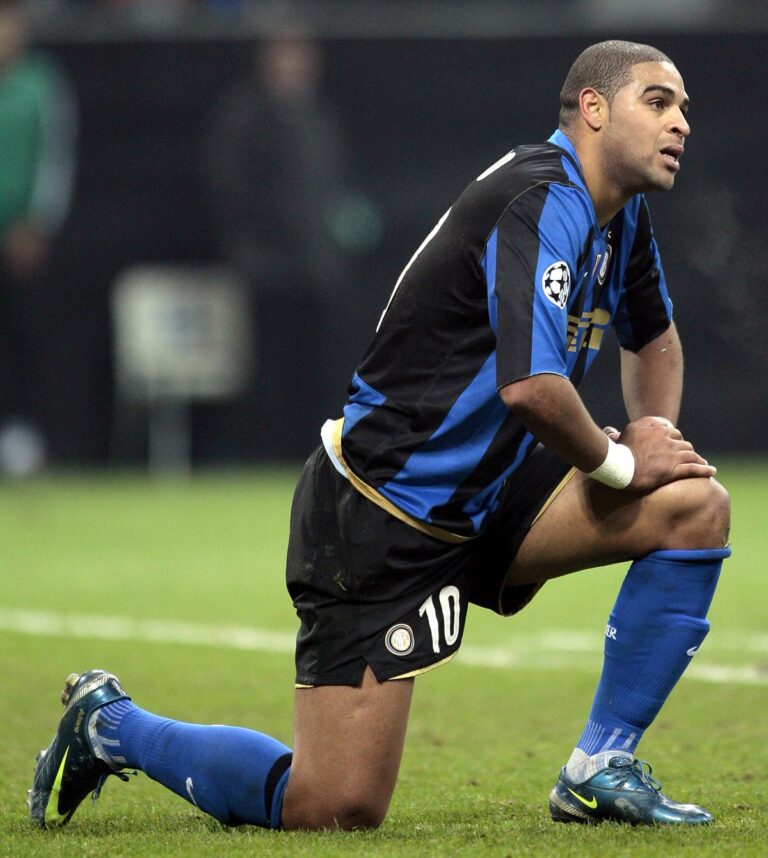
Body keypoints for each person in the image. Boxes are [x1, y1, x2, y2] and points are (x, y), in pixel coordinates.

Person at [30, 40, 731, 831]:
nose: (681, 123)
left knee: (693, 505)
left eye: (684, 109)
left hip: (492, 492)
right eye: (658, 102)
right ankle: (111, 725)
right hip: (382, 510)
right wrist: (624, 464)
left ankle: (598, 766)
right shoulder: (539, 198)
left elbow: (654, 336)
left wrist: (656, 435)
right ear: (593, 110)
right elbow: (532, 387)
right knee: (334, 806)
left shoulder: (619, 214)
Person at [201, 32, 377, 460]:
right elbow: (228, 189)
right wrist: (261, 243)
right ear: (266, 61)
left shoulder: (320, 117)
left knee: (319, 366)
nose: (294, 65)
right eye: (285, 55)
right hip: (267, 271)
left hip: (318, 271)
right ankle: (263, 452)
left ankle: (319, 451)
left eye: (300, 56)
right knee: (269, 369)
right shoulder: (242, 116)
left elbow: (336, 186)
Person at [0, 0, 77, 474]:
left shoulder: (41, 83)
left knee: (25, 342)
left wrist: (37, 222)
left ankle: (26, 438)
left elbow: (56, 157)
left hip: (24, 241)